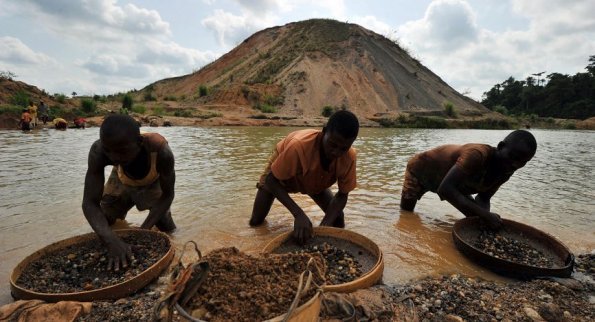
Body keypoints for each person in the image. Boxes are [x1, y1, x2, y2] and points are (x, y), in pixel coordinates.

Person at [249, 110, 359, 244]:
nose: (336, 152)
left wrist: (324, 228)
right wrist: (298, 214)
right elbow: (271, 180)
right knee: (256, 222)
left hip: (314, 179)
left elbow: (342, 195)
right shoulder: (298, 146)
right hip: (278, 176)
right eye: (333, 144)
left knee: (337, 218)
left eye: (343, 148)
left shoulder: (349, 157)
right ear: (324, 132)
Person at [82, 114, 176, 270]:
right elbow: (90, 203)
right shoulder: (98, 152)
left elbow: (168, 195)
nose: (114, 157)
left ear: (139, 143)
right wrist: (111, 240)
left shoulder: (161, 152)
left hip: (151, 181)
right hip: (120, 179)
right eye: (108, 150)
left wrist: (142, 232)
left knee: (166, 227)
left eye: (122, 152)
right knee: (105, 220)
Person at [400, 130, 537, 229]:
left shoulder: (506, 171)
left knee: (478, 218)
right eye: (512, 156)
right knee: (406, 215)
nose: (515, 164)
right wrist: (484, 215)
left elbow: (484, 198)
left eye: (522, 162)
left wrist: (483, 220)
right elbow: (445, 190)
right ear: (501, 147)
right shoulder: (477, 155)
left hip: (454, 182)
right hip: (421, 170)